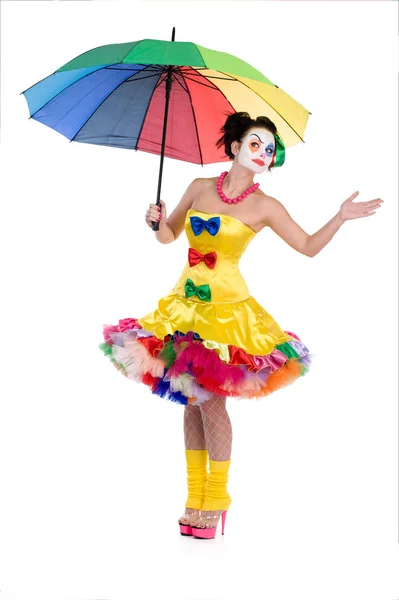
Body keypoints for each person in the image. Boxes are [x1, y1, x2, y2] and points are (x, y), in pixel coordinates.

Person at [99, 111, 383, 540]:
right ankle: (194, 497)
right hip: (183, 307)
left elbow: (306, 247)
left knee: (212, 402)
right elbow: (169, 236)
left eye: (269, 150)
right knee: (190, 399)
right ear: (234, 148)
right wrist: (155, 222)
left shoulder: (265, 205)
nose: (263, 153)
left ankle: (217, 498)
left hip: (228, 314)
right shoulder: (198, 187)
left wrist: (340, 217)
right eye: (255, 144)